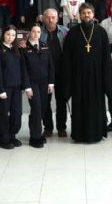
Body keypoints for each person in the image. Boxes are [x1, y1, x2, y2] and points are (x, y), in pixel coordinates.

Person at [62, 3, 112, 143]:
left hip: (97, 77)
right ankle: (79, 135)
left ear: (93, 14)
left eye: (89, 13)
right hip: (78, 77)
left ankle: (97, 133)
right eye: (83, 13)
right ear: (79, 15)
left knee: (96, 106)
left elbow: (106, 58)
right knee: (79, 106)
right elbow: (67, 58)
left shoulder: (101, 32)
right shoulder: (72, 33)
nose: (86, 15)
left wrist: (106, 79)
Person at [0, 25, 30, 149]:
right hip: (5, 88)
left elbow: (23, 68)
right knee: (3, 114)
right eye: (8, 34)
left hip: (16, 87)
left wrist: (25, 86)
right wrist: (0, 89)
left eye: (13, 35)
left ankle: (12, 135)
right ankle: (3, 139)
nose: (10, 37)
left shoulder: (17, 49)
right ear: (3, 35)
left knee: (17, 113)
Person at [21, 24, 55, 148]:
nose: (36, 34)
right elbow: (23, 69)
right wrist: (27, 87)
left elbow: (50, 65)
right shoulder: (24, 48)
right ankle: (35, 137)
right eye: (34, 31)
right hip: (32, 83)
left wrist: (51, 82)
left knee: (43, 108)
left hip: (44, 82)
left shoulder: (45, 46)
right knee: (36, 108)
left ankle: (36, 132)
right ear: (29, 33)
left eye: (38, 32)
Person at [40, 8, 70, 138]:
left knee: (61, 101)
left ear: (58, 18)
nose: (50, 20)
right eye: (48, 17)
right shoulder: (39, 33)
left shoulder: (65, 31)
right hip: (45, 73)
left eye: (53, 17)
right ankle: (48, 128)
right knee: (46, 101)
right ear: (43, 19)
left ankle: (61, 127)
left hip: (61, 72)